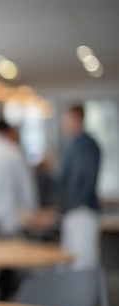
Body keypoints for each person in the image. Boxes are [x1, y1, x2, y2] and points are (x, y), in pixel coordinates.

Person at [56, 105, 101, 270]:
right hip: (72, 210)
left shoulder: (86, 145)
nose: (64, 124)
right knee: (70, 260)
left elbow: (85, 179)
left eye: (67, 120)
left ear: (78, 119)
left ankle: (86, 296)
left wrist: (74, 204)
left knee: (83, 261)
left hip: (82, 210)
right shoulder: (73, 145)